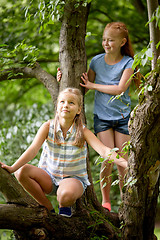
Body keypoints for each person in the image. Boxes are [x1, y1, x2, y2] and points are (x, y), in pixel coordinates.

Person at [0, 87, 127, 217]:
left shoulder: (82, 131)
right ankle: (48, 209)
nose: (66, 105)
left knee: (64, 195)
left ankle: (64, 211)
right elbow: (32, 150)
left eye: (71, 103)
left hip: (72, 180)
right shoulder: (47, 127)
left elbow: (104, 151)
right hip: (48, 177)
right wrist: (12, 168)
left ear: (78, 110)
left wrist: (127, 164)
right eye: (62, 102)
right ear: (57, 106)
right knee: (20, 171)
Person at [79, 22, 137, 212]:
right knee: (108, 158)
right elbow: (83, 87)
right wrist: (62, 77)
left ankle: (125, 201)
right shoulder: (96, 61)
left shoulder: (128, 62)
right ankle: (106, 203)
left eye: (111, 40)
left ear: (122, 42)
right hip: (102, 118)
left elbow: (120, 89)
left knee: (123, 162)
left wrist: (93, 86)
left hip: (122, 117)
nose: (106, 43)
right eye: (104, 39)